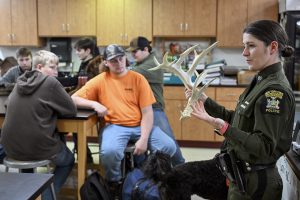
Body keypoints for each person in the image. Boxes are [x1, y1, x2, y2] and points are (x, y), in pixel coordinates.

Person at [186, 20, 295, 199]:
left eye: (251, 46)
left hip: (256, 185)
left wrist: (223, 128)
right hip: (242, 177)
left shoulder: (275, 92)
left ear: (272, 47)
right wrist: (205, 100)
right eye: (244, 46)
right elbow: (239, 120)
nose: (244, 53)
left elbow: (263, 146)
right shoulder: (260, 79)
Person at [71, 44, 176, 197]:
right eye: (113, 61)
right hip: (115, 126)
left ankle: (147, 179)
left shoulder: (138, 79)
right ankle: (116, 184)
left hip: (141, 125)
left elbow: (147, 113)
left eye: (121, 59)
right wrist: (94, 104)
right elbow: (74, 99)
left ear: (125, 58)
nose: (119, 63)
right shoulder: (100, 80)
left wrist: (144, 139)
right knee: (109, 152)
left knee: (168, 147)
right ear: (106, 62)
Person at [0, 50, 77, 200]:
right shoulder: (50, 82)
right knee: (68, 160)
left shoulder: (20, 82)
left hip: (11, 148)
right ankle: (46, 196)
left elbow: (8, 105)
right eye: (53, 67)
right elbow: (71, 110)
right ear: (40, 67)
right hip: (37, 147)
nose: (57, 72)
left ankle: (28, 194)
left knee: (27, 154)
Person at [127, 36, 185, 166]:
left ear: (146, 49)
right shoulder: (141, 62)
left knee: (169, 143)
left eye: (135, 51)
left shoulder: (152, 64)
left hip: (154, 108)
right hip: (143, 109)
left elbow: (129, 74)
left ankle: (181, 167)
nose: (132, 55)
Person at [73, 37, 102, 163]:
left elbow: (91, 88)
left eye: (79, 50)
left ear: (88, 50)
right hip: (85, 100)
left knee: (75, 124)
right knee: (74, 126)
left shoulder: (95, 65)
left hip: (94, 103)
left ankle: (84, 158)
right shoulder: (84, 63)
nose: (77, 53)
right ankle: (84, 156)